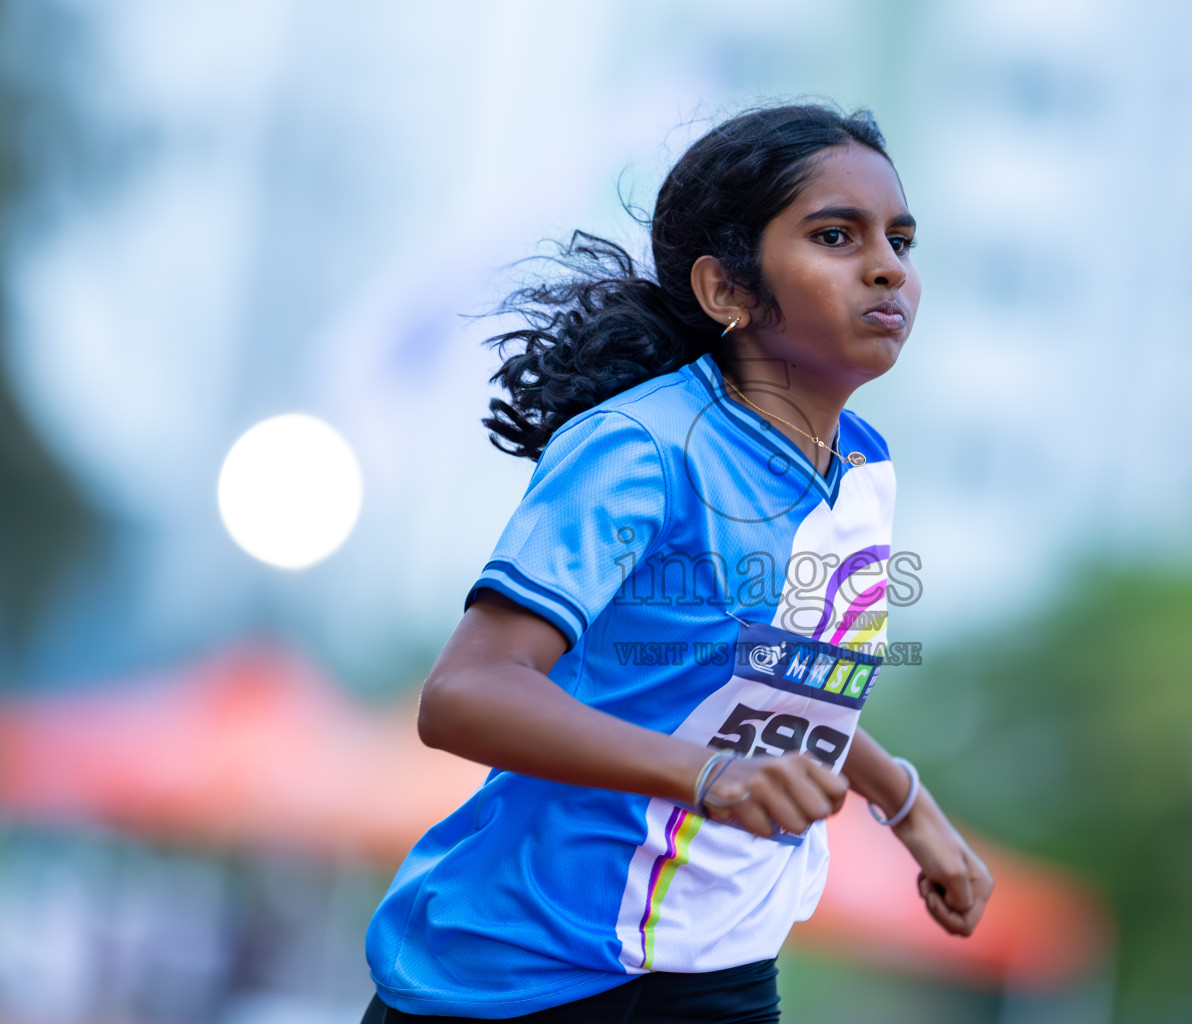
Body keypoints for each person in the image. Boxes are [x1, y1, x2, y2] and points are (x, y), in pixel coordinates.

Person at [361, 104, 993, 1024]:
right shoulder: (641, 448)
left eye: (899, 238)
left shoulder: (863, 466)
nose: (889, 266)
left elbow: (769, 679)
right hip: (520, 971)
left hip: (719, 971)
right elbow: (465, 693)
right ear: (727, 290)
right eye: (835, 235)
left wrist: (907, 806)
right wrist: (709, 777)